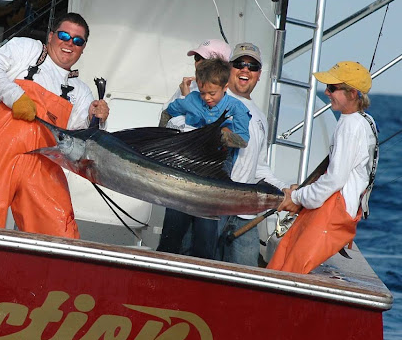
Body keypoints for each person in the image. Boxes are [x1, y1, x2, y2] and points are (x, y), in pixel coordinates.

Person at [0, 12, 109, 238]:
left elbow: (80, 143)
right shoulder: (26, 49)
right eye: (64, 35)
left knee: (60, 237)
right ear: (51, 36)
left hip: (43, 164)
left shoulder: (82, 92)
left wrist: (98, 121)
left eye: (77, 40)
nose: (69, 43)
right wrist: (15, 97)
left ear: (83, 48)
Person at [267, 61, 378, 274]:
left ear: (353, 93)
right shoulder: (366, 121)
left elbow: (335, 179)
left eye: (333, 88)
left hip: (331, 213)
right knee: (284, 264)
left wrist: (298, 197)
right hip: (339, 211)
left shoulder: (349, 126)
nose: (326, 92)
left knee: (288, 272)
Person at [156, 57, 251, 259]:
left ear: (226, 87)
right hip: (187, 166)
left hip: (214, 172)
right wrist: (166, 135)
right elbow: (167, 113)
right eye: (203, 92)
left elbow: (243, 141)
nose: (207, 98)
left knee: (206, 233)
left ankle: (201, 273)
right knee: (173, 226)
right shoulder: (191, 100)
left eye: (212, 93)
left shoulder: (237, 108)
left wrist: (222, 135)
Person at [217, 43, 287, 267]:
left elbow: (260, 168)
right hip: (213, 208)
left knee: (245, 281)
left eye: (252, 66)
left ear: (259, 75)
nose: (245, 70)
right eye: (239, 64)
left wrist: (285, 191)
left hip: (245, 215)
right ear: (229, 68)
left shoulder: (259, 116)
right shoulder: (213, 100)